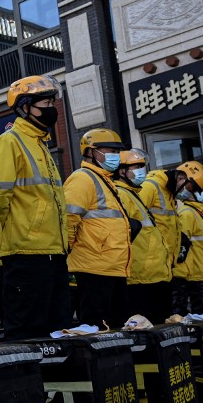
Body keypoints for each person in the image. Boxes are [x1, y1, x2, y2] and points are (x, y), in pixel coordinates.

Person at [0, 75, 70, 339]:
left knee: (58, 329)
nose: (50, 108)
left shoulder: (41, 146)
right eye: (44, 102)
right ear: (24, 107)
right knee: (27, 330)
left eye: (51, 101)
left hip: (53, 253)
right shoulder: (9, 142)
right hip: (24, 254)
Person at [63, 128, 131, 328]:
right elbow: (69, 219)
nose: (115, 156)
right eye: (110, 150)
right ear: (91, 152)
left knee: (115, 328)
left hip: (113, 267)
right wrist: (71, 251)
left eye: (117, 152)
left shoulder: (107, 181)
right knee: (98, 329)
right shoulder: (82, 179)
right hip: (94, 268)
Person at [114, 150, 173, 324]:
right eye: (136, 167)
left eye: (142, 166)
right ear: (122, 171)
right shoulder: (122, 194)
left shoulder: (133, 194)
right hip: (140, 278)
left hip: (153, 275)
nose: (141, 171)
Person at [172, 161, 203, 315]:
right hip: (197, 274)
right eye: (193, 188)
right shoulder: (187, 212)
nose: (197, 192)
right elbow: (182, 243)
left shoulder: (198, 213)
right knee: (202, 316)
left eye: (198, 189)